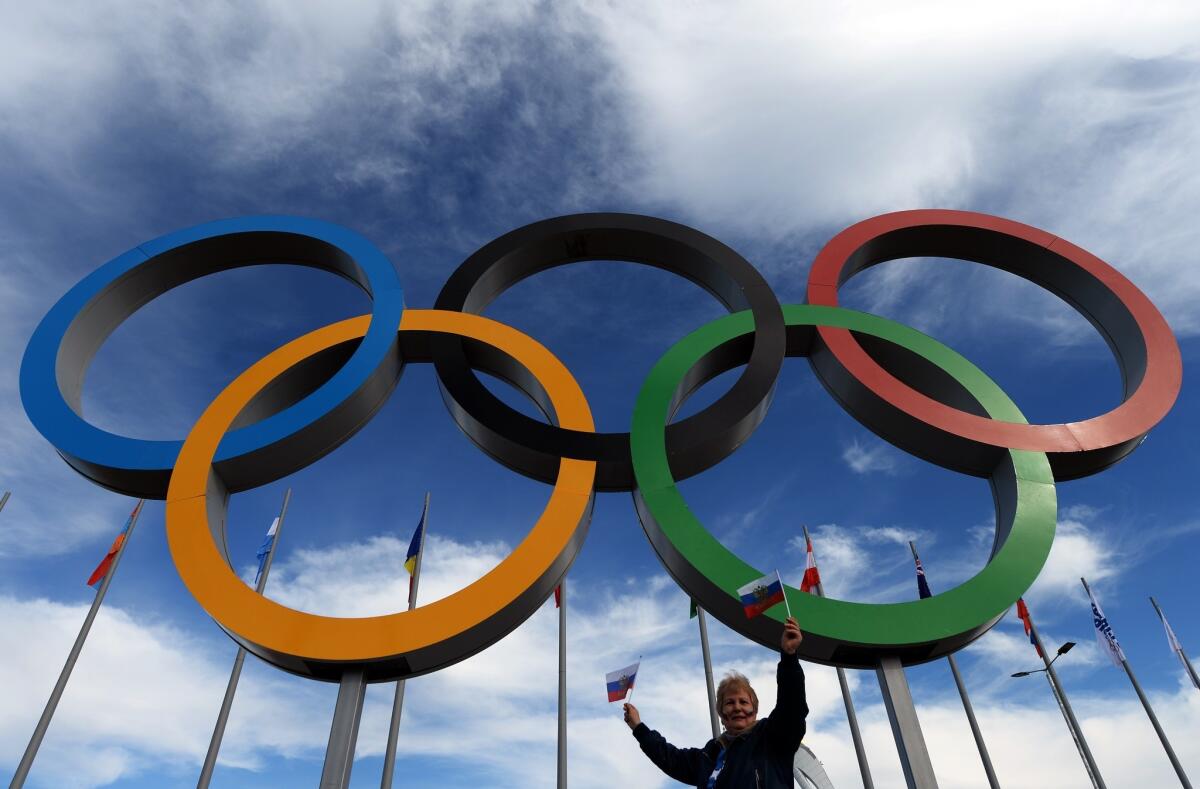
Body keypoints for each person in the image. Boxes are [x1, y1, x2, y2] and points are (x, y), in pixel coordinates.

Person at [623, 616, 807, 789]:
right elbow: (669, 757)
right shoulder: (708, 755)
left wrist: (789, 658)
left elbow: (791, 707)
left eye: (743, 701)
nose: (737, 707)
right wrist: (638, 727)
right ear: (721, 713)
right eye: (729, 703)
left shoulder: (773, 736)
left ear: (754, 708)